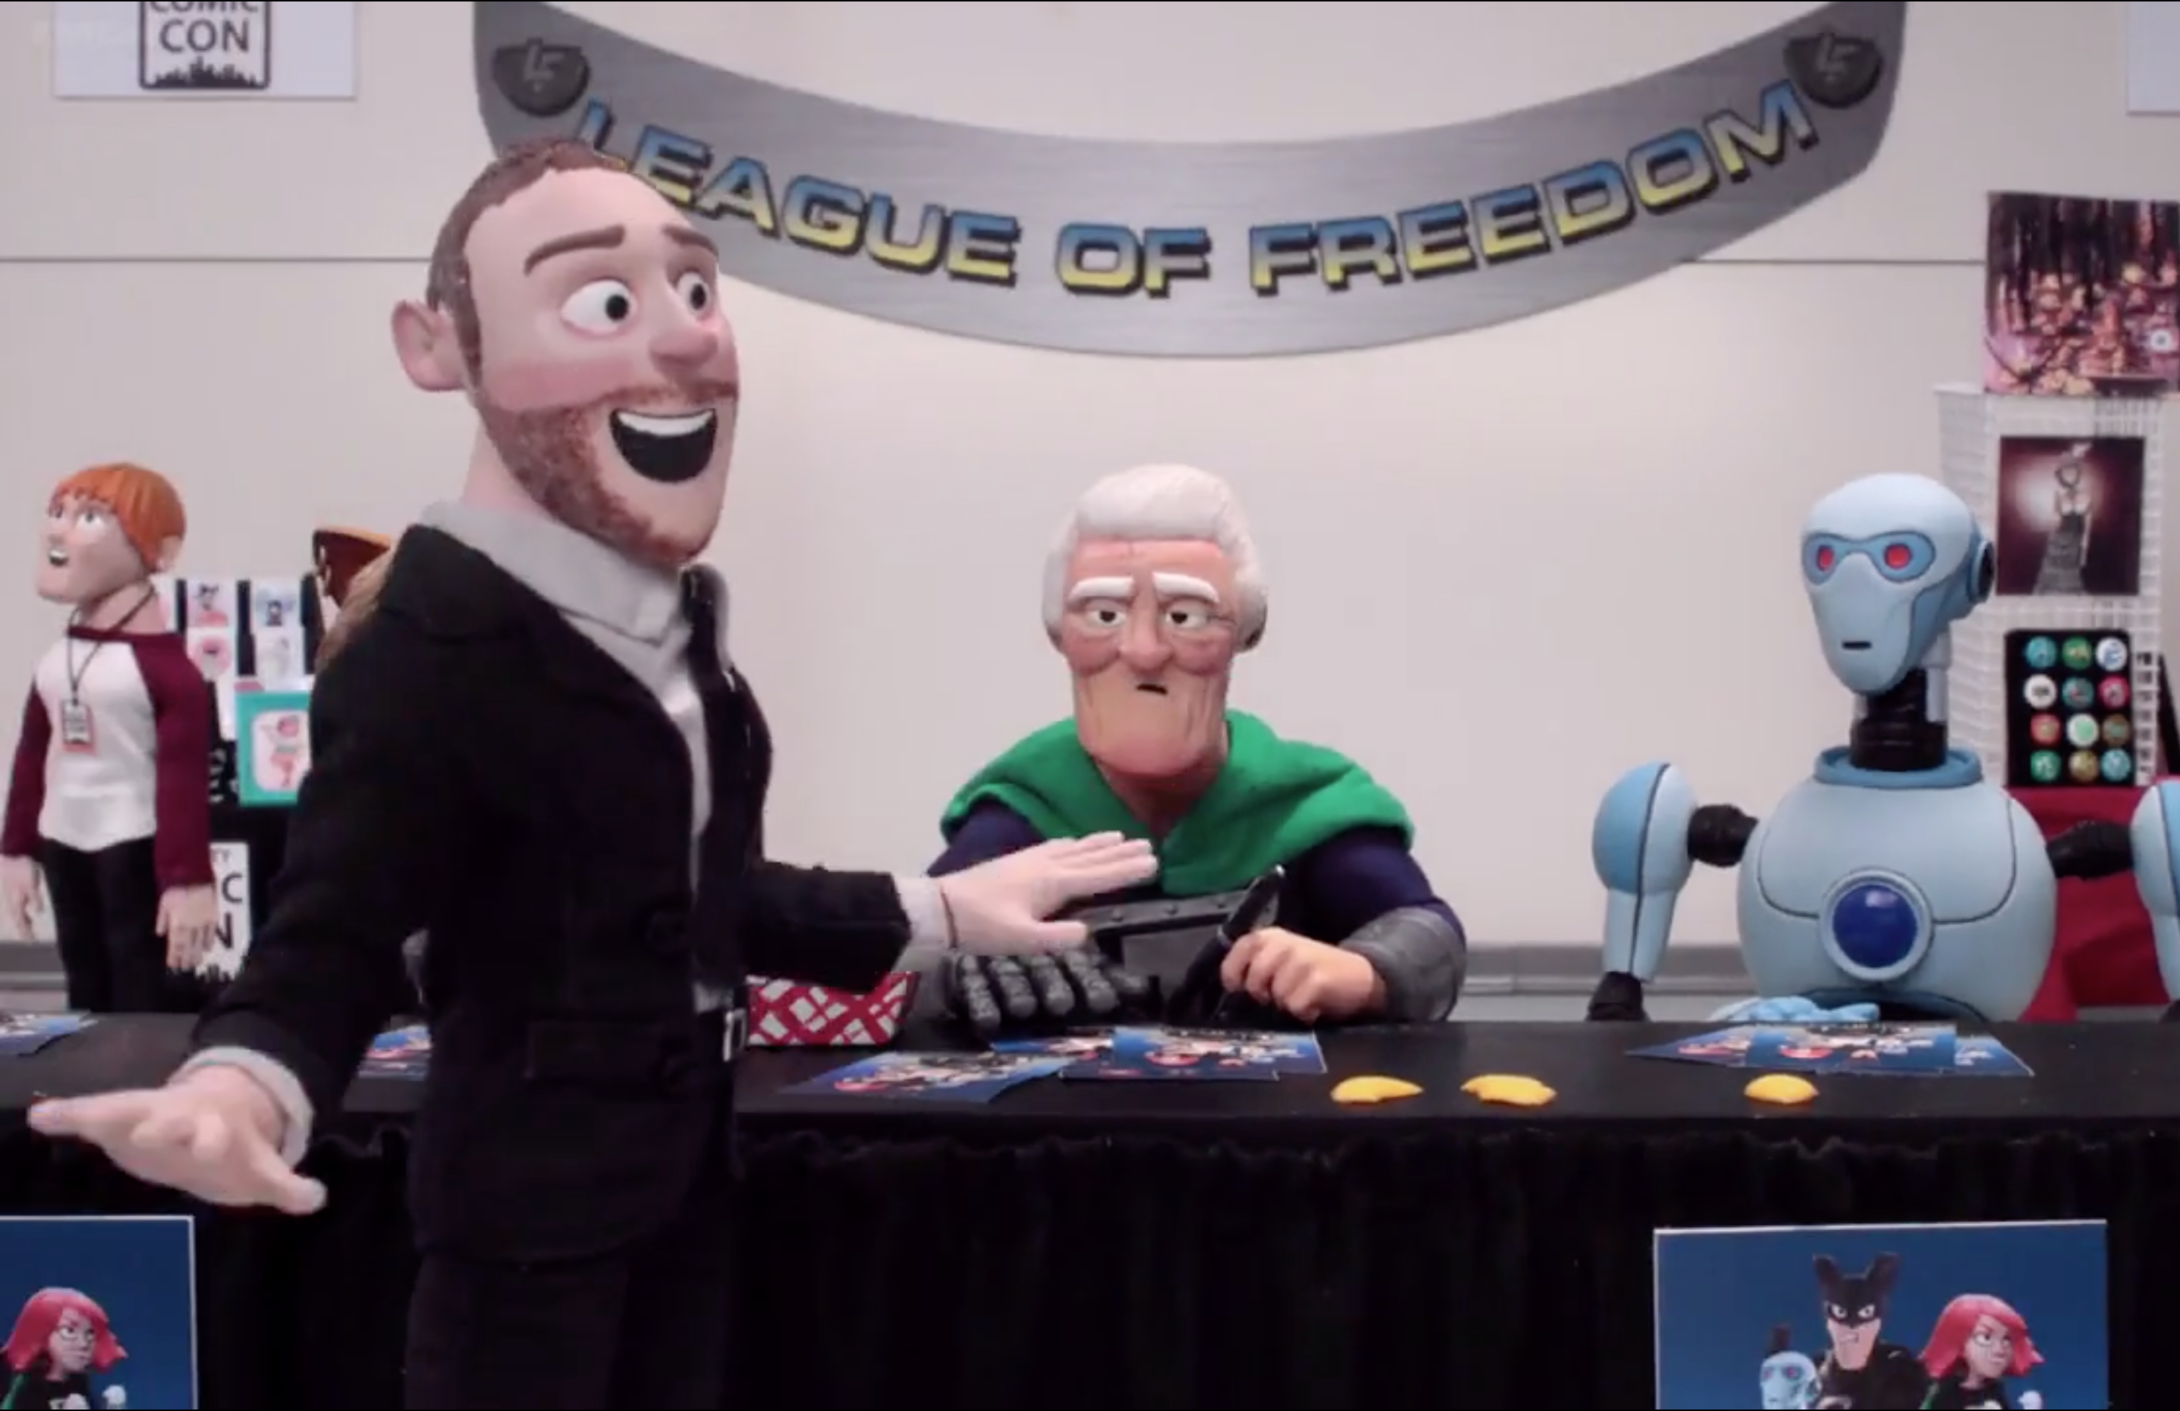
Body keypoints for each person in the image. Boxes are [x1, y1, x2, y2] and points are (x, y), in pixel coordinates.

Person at [26, 137, 1156, 1411]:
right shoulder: (428, 650)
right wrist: (248, 1080)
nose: (681, 338)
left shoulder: (677, 634)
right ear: (436, 346)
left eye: (695, 289)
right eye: (604, 299)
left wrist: (941, 909)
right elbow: (333, 926)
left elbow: (696, 894)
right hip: (524, 1229)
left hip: (685, 1196)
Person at [931, 465, 1464, 1029]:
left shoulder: (1303, 807)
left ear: (1243, 631)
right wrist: (956, 976)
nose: (1143, 651)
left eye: (1186, 617)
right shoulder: (1025, 807)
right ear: (1059, 632)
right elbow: (911, 951)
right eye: (1104, 615)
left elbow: (1428, 934)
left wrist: (1366, 973)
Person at [0, 463, 216, 1012]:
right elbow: (32, 758)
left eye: (90, 517)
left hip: (131, 844)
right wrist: (16, 847)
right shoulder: (58, 659)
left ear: (159, 552)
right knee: (84, 979)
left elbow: (183, 784)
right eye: (58, 512)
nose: (59, 531)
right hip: (63, 837)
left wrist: (187, 879)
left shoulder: (169, 674)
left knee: (140, 983)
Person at [0, 1288, 127, 1410]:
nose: (83, 1344)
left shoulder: (78, 1382)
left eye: (90, 1333)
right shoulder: (29, 1386)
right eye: (69, 1331)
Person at [1916, 1293, 2044, 1410]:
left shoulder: (1994, 1390)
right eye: (1986, 1337)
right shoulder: (1944, 1391)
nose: (1999, 1350)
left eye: (2006, 1339)